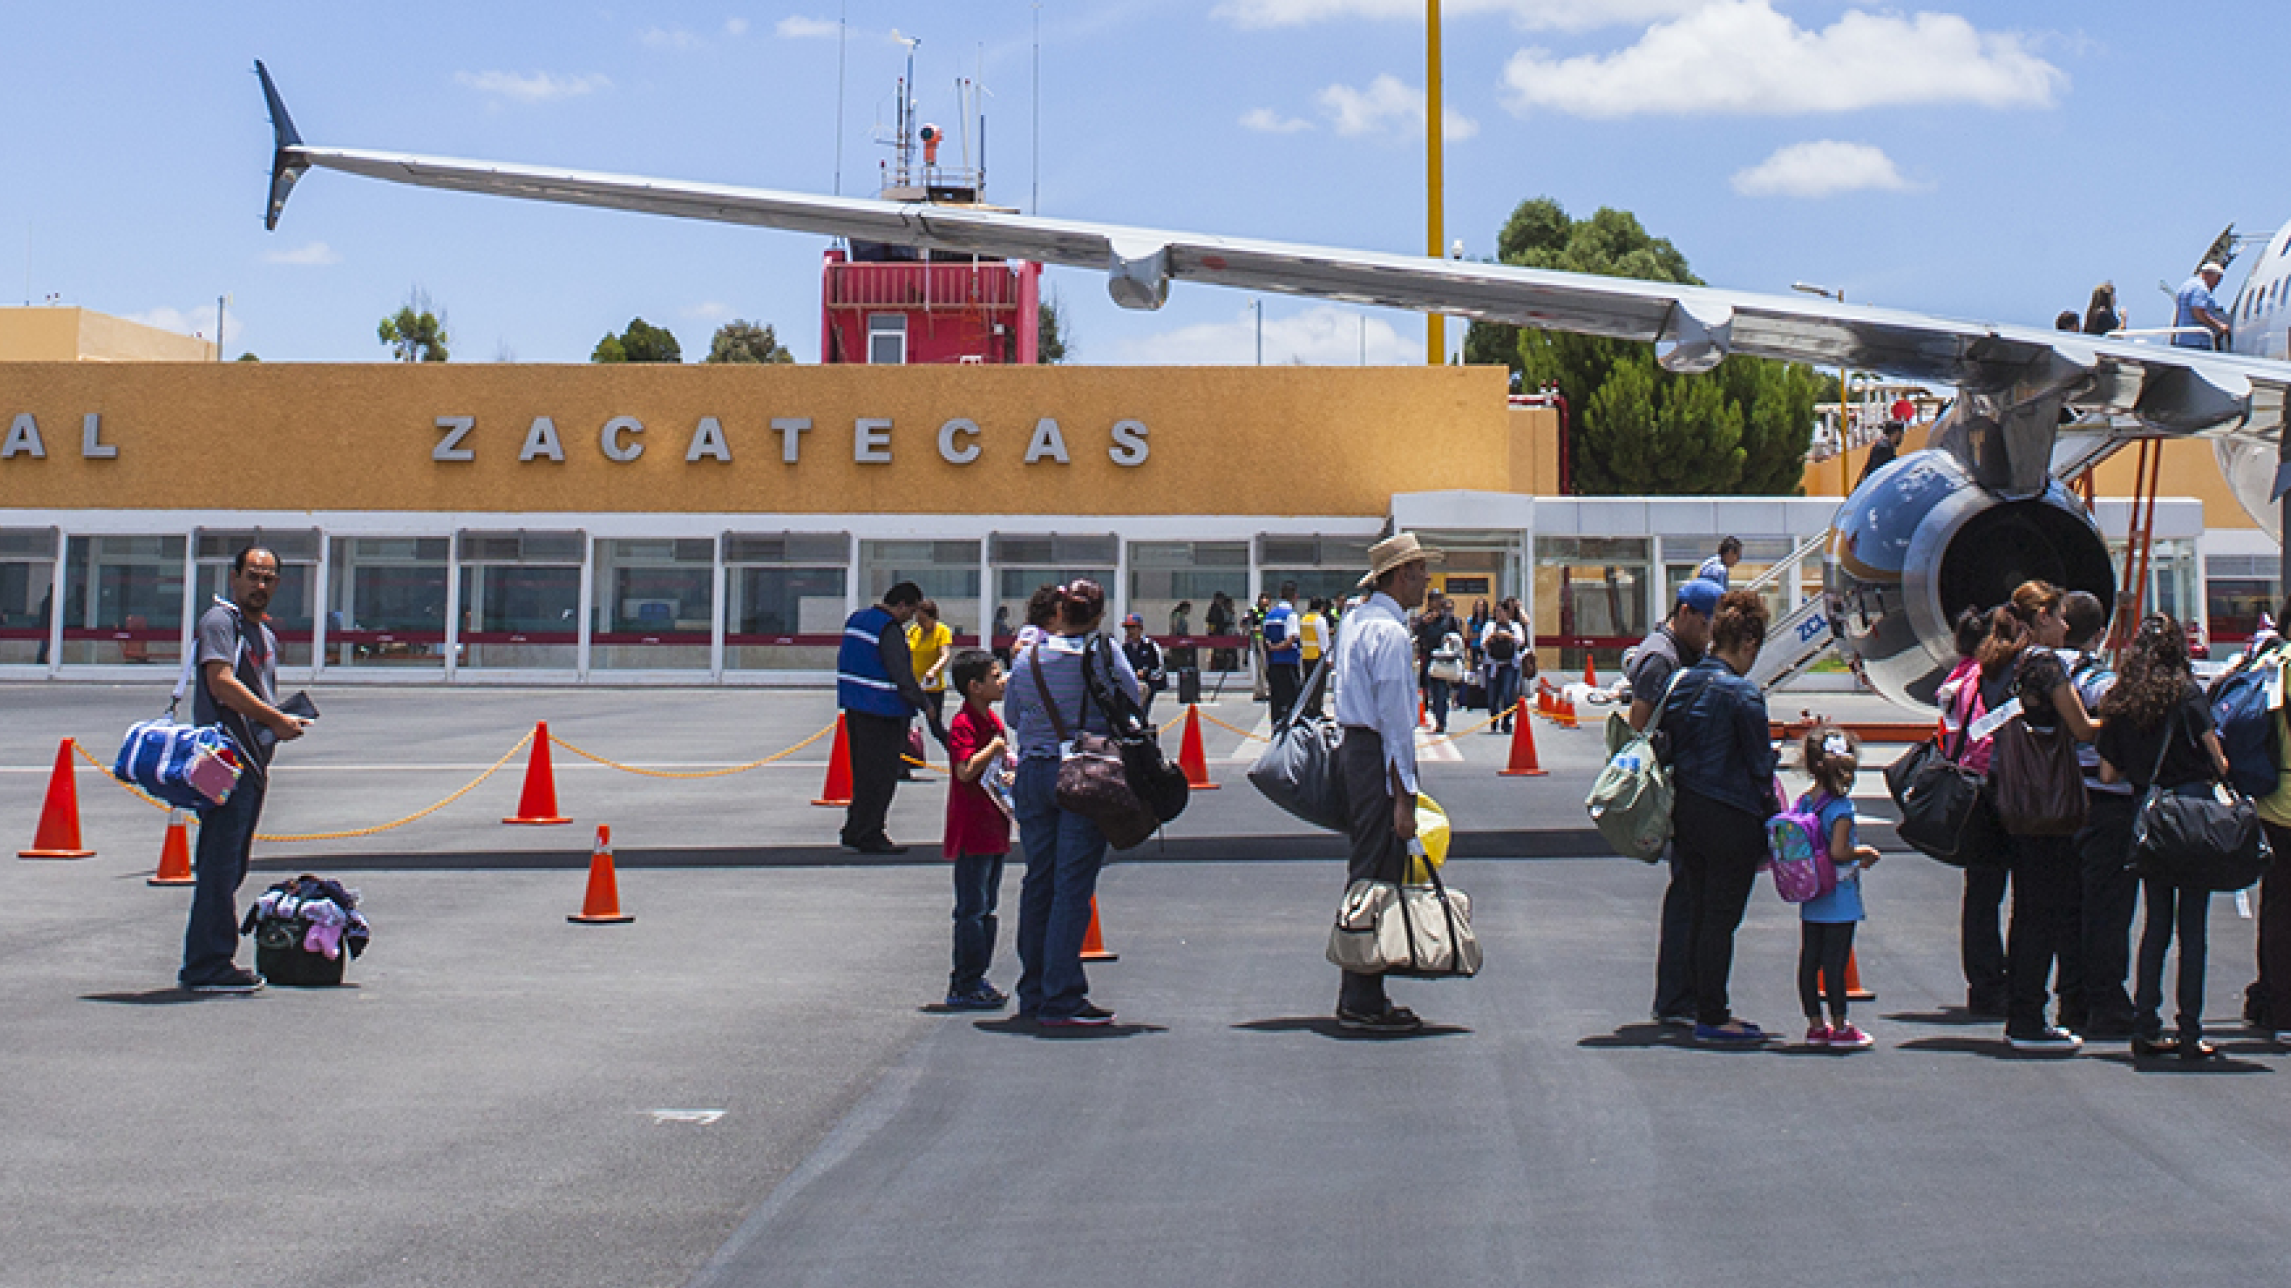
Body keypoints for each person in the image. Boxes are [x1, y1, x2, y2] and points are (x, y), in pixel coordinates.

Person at [1004, 580, 1141, 1026]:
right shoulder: (1104, 654)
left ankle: (1034, 990)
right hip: (1083, 770)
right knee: (1072, 885)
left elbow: (1011, 715)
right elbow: (1132, 704)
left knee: (1038, 879)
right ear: (1099, 616)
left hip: (1034, 769)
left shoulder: (1028, 657)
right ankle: (1062, 996)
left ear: (1060, 612)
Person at [2098, 615, 2232, 1059]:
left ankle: (2145, 1024)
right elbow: (2218, 762)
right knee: (2193, 926)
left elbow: (2109, 771)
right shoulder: (2188, 695)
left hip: (2150, 815)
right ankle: (2190, 1030)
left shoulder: (2122, 700)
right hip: (2192, 813)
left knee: (2155, 924)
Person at [179, 546, 310, 993]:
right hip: (220, 761)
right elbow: (220, 683)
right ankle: (205, 965)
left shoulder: (262, 635)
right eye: (252, 575)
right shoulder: (222, 623)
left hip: (250, 764)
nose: (260, 586)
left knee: (230, 863)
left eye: (268, 578)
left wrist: (277, 721)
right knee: (219, 861)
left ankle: (210, 958)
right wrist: (275, 720)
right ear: (234, 577)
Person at [1331, 532, 1442, 1033]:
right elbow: (1396, 722)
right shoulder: (1392, 635)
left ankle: (1363, 985)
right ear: (1401, 575)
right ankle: (1362, 991)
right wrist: (1405, 795)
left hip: (1353, 747)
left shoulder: (1354, 621)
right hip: (1377, 753)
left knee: (1366, 863)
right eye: (1420, 571)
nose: (1426, 581)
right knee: (1376, 869)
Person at [1659, 589, 1777, 1045]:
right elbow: (1759, 768)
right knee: (1721, 918)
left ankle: (1689, 1001)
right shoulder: (1743, 693)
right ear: (1747, 644)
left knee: (1697, 908)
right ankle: (1714, 1012)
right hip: (1732, 814)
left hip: (1688, 808)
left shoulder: (1683, 681)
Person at [1986, 582, 2101, 1051]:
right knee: (2046, 911)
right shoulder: (2045, 664)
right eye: (2055, 616)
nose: (2064, 625)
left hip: (2015, 799)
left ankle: (2023, 1010)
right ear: (2038, 621)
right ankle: (2031, 1019)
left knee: (2026, 908)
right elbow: (2082, 729)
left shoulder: (2003, 663)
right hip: (2048, 803)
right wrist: (2123, 712)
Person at [1631, 577, 1719, 1027]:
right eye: (1704, 624)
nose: (1708, 634)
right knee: (1686, 895)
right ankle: (1674, 998)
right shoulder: (1659, 660)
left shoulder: (1685, 655)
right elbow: (1638, 731)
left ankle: (1681, 994)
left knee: (1693, 893)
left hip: (1687, 784)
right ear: (1683, 612)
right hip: (1672, 786)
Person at [2060, 591, 2137, 1039]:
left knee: (2069, 905)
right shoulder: (2098, 681)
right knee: (2108, 908)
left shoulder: (2041, 671)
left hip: (2060, 799)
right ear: (2100, 631)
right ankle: (2106, 997)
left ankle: (2072, 997)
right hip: (2105, 800)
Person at [1936, 603, 2012, 1018]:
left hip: (1964, 788)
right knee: (1998, 891)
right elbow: (1986, 741)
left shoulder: (1953, 681)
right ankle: (1996, 980)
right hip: (1990, 790)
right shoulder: (1982, 679)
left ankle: (1981, 982)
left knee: (1979, 894)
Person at [836, 581, 941, 856]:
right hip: (883, 712)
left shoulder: (857, 621)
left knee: (862, 774)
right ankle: (871, 832)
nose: (912, 619)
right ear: (902, 605)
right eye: (912, 611)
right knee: (880, 778)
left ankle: (854, 828)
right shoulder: (888, 629)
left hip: (856, 708)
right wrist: (925, 704)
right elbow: (901, 673)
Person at [1795, 726, 1881, 1050]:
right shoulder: (1840, 809)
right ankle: (1841, 1026)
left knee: (1810, 960)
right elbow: (1839, 852)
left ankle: (1815, 1025)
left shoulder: (1804, 803)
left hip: (1812, 893)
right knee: (1835, 962)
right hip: (1839, 897)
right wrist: (1864, 853)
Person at [942, 648, 1012, 1010]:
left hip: (996, 824)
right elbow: (965, 769)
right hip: (973, 829)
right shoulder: (964, 724)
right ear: (974, 686)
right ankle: (963, 981)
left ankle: (979, 974)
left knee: (988, 907)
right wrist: (993, 749)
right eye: (995, 676)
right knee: (971, 908)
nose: (1002, 681)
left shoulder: (994, 722)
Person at [1413, 592, 1462, 734]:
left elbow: (1457, 633)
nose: (1436, 602)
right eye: (1433, 600)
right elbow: (1417, 634)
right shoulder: (1424, 619)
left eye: (1438, 599)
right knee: (1431, 689)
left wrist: (1451, 641)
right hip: (1429, 658)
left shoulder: (1448, 619)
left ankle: (1441, 720)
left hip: (1444, 659)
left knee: (1441, 690)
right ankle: (1437, 714)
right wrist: (1423, 625)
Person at [1480, 599, 1526, 733]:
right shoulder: (1490, 626)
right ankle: (1494, 720)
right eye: (1497, 612)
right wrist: (1493, 636)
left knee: (1507, 693)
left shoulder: (1515, 626)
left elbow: (1521, 641)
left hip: (1509, 664)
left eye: (1501, 612)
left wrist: (1507, 636)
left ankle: (1507, 721)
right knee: (1492, 696)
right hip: (1492, 664)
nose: (1499, 615)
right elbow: (1483, 644)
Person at [907, 598, 954, 729]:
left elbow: (945, 654)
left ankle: (954, 747)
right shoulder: (914, 630)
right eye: (918, 620)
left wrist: (933, 670)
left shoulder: (942, 631)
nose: (920, 624)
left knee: (935, 726)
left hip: (932, 686)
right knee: (904, 722)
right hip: (914, 684)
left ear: (933, 618)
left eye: (923, 620)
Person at [1262, 580, 1303, 724]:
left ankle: (1276, 730)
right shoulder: (1291, 615)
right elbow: (1291, 639)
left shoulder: (1269, 616)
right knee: (1292, 702)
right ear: (1295, 597)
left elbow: (1265, 639)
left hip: (1273, 664)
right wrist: (1277, 648)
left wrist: (1271, 649)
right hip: (1288, 663)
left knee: (1276, 702)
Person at [1120, 612, 1167, 725]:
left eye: (1133, 627)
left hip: (1148, 684)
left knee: (1142, 711)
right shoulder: (1125, 648)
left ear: (1140, 628)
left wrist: (1146, 674)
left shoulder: (1150, 645)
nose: (1130, 631)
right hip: (1131, 685)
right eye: (1127, 628)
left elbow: (1160, 668)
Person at [2172, 261, 2231, 350]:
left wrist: (2173, 336)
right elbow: (2198, 312)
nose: (2217, 284)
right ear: (2208, 275)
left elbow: (2178, 313)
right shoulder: (2201, 288)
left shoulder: (2186, 286)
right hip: (2198, 342)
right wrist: (2219, 326)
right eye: (2218, 279)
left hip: (2183, 340)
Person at [1298, 597, 1330, 717]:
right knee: (1319, 685)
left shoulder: (1304, 619)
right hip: (1317, 656)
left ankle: (1307, 708)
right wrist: (1329, 658)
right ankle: (1316, 709)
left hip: (1306, 655)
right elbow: (1324, 640)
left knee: (1308, 684)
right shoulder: (1319, 620)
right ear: (1321, 607)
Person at [1858, 420, 1905, 486]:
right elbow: (1878, 473)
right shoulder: (1884, 448)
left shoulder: (1885, 445)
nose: (1902, 437)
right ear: (1897, 433)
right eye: (1901, 434)